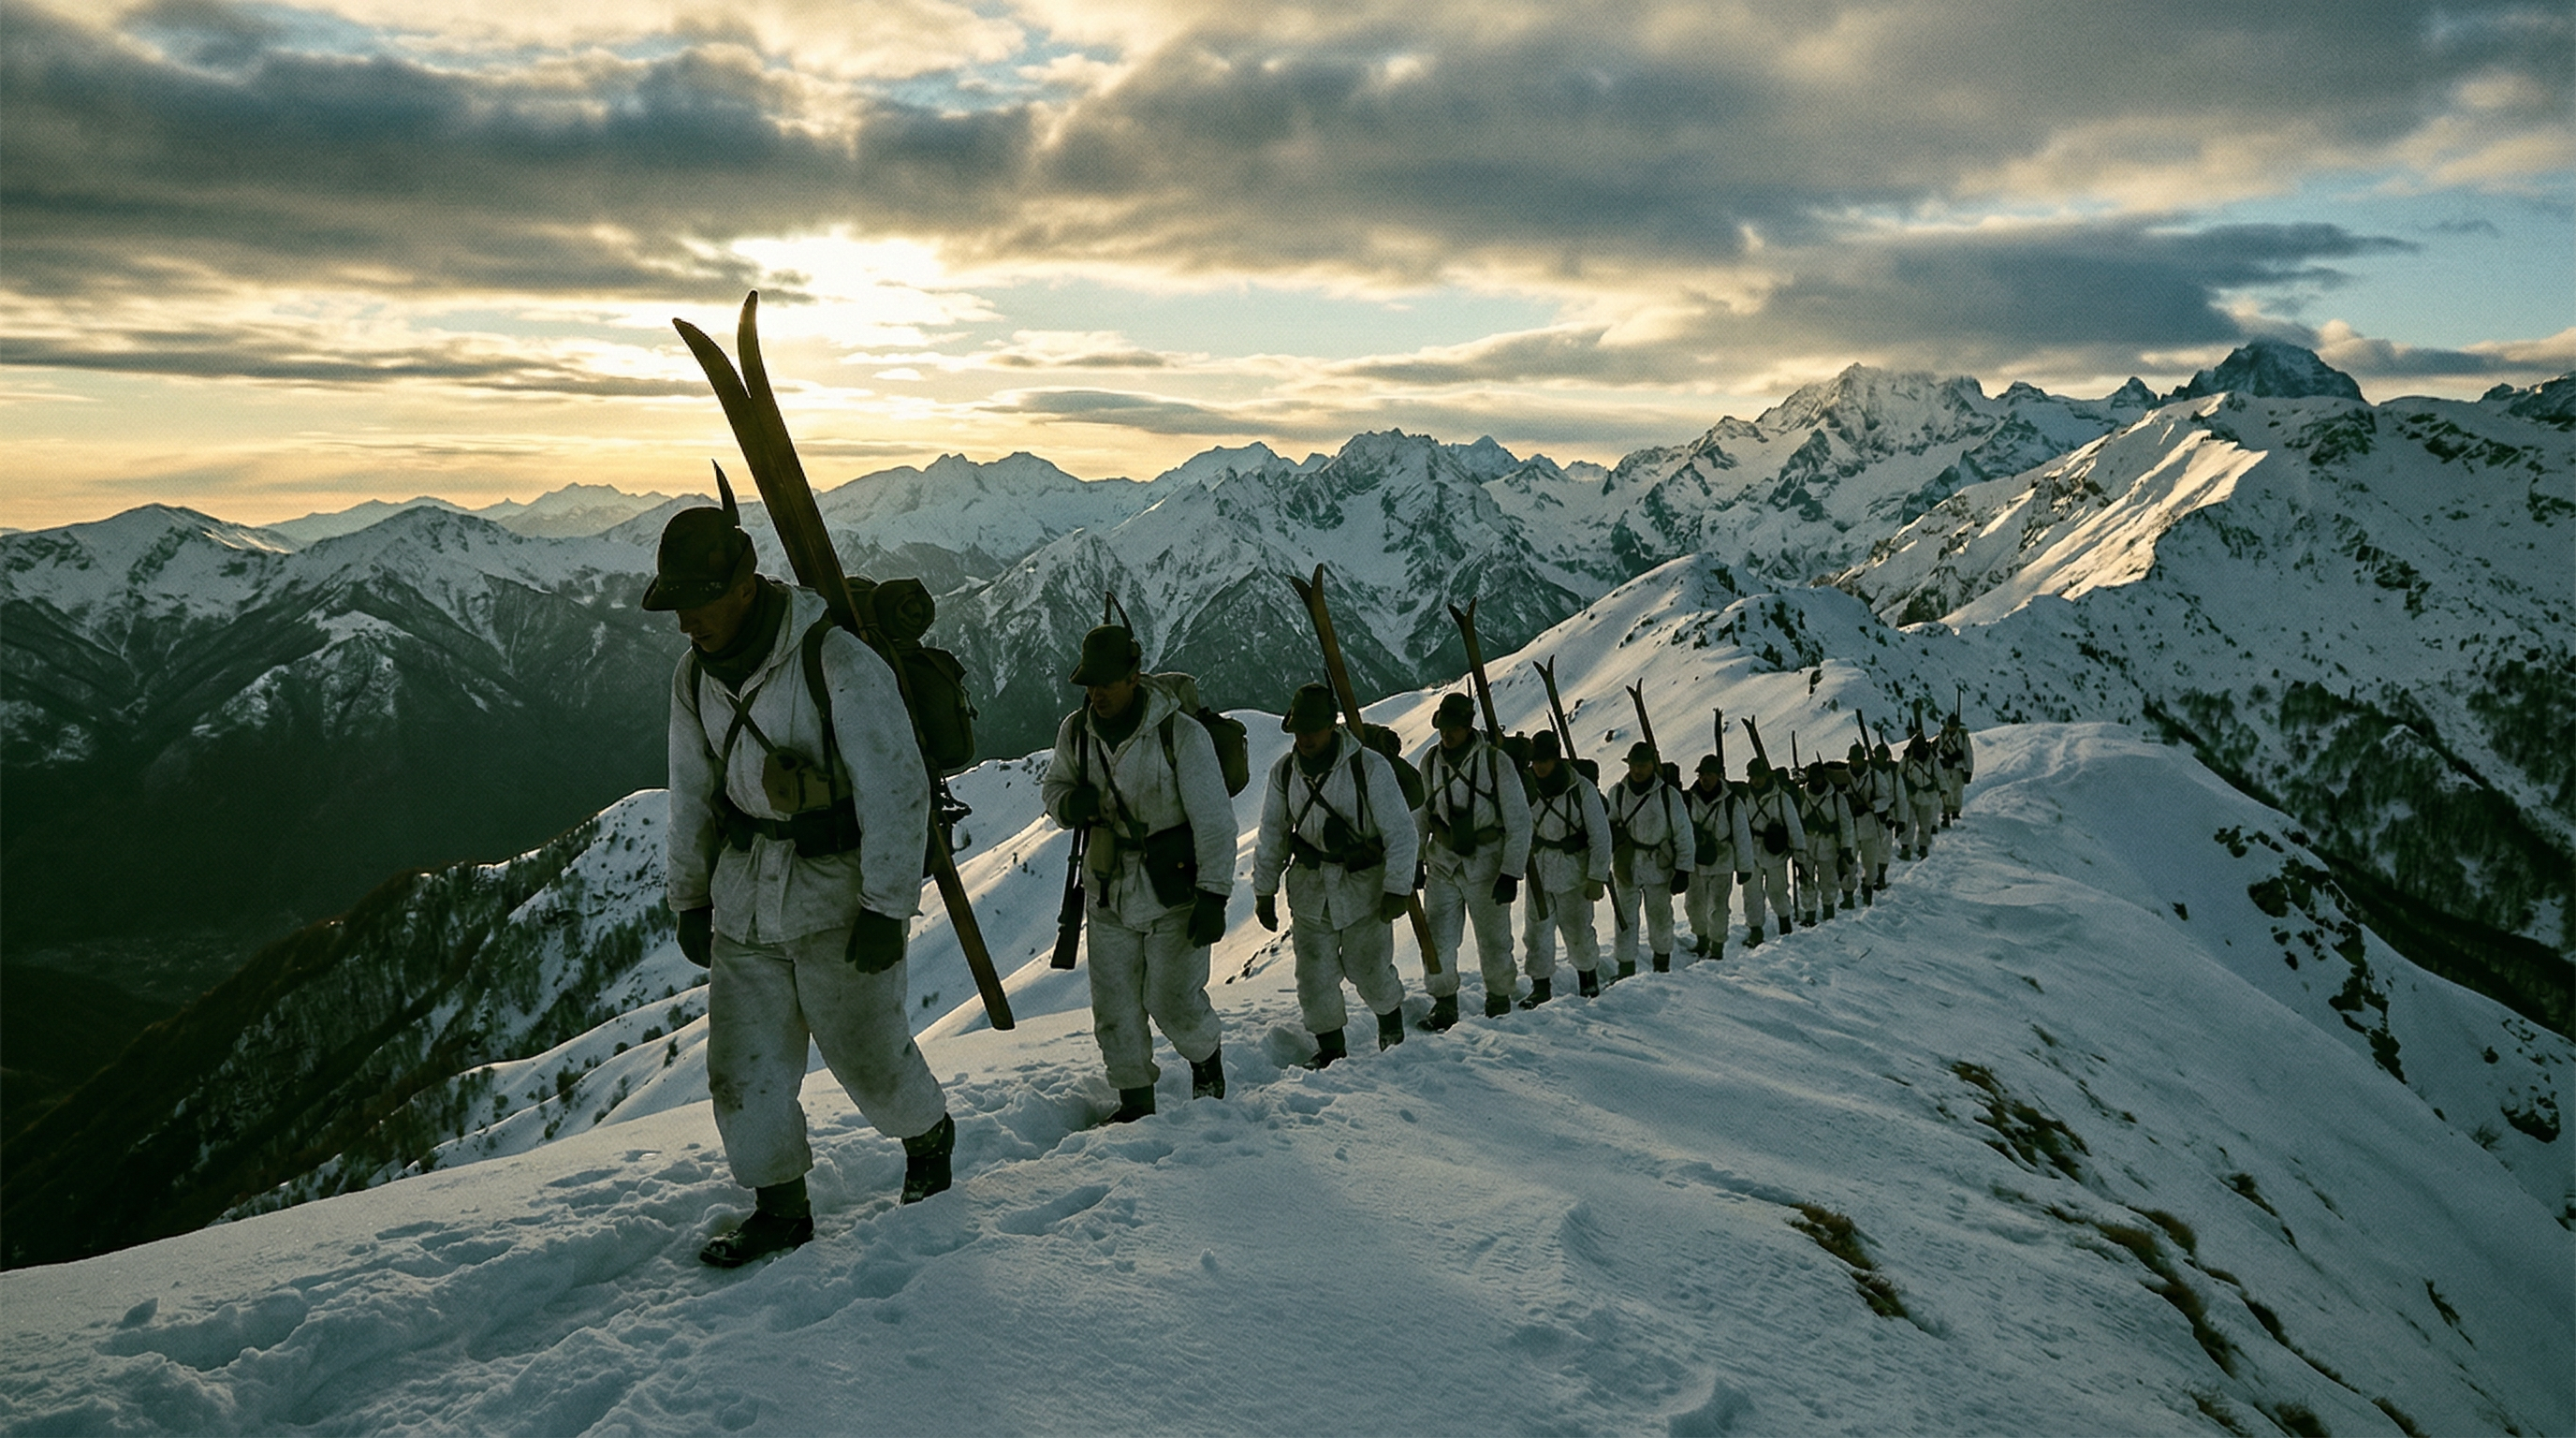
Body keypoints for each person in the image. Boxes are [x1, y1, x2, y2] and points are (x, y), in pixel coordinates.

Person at [652, 501, 956, 1269]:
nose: (689, 621)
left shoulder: (837, 661)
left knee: (869, 1056)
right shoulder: (694, 680)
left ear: (745, 586)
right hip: (747, 894)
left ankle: (928, 1141)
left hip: (837, 891)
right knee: (742, 1070)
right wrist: (689, 895)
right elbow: (691, 794)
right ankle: (780, 1208)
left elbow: (896, 789)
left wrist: (887, 906)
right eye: (679, 604)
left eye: (700, 600)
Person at [1042, 625, 1235, 1123]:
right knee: (1115, 1008)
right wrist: (1069, 803)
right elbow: (1054, 790)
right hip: (1108, 887)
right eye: (1089, 684)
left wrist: (1214, 895)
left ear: (1134, 677)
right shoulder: (1075, 731)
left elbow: (1214, 821)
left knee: (1173, 1001)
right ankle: (1135, 1101)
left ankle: (1205, 1059)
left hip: (1175, 886)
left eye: (1106, 682)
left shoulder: (1180, 734)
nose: (1096, 693)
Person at [1252, 683, 1421, 1066]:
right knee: (1314, 979)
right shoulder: (1284, 774)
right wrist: (1264, 891)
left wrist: (1397, 887)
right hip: (1311, 890)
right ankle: (1330, 1048)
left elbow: (1400, 832)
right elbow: (1272, 835)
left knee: (1370, 970)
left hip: (1365, 888)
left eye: (1313, 728)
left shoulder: (1368, 767)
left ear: (1332, 725)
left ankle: (1391, 1026)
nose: (1306, 738)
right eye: (1300, 730)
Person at [1414, 694, 1534, 1021]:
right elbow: (1422, 814)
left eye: (1453, 727)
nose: (1447, 734)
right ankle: (1444, 1003)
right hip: (1443, 863)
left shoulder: (1496, 762)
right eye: (1443, 727)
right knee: (1437, 939)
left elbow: (1519, 821)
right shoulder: (1429, 761)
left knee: (1495, 942)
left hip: (1488, 866)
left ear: (1468, 726)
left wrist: (1511, 872)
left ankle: (1498, 999)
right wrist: (1415, 860)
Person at [1519, 730, 1613, 1000]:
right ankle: (1540, 988)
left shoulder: (1581, 789)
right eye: (1536, 761)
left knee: (1579, 931)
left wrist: (1597, 877)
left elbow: (1600, 835)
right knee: (1536, 933)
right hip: (1539, 868)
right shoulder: (1526, 787)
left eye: (1545, 760)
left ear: (1556, 760)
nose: (1539, 766)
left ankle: (1588, 980)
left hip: (1575, 870)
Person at [1604, 741, 1693, 976]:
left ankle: (1662, 965)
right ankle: (1625, 969)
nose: (1638, 769)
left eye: (1643, 764)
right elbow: (1608, 824)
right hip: (1626, 864)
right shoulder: (1618, 792)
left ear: (1652, 765)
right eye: (1634, 764)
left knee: (1660, 917)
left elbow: (1683, 834)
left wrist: (1683, 869)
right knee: (1624, 921)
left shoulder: (1668, 795)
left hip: (1659, 865)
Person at [1682, 755, 1755, 960]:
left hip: (1722, 860)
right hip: (1696, 861)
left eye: (1710, 774)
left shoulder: (1731, 801)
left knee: (1718, 907)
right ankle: (1701, 938)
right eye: (1702, 774)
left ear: (1719, 776)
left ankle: (1717, 946)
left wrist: (1744, 867)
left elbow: (1742, 835)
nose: (1705, 779)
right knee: (1693, 905)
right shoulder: (1689, 799)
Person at [1737, 756, 1807, 946]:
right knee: (1751, 894)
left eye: (1759, 775)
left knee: (1777, 891)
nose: (1756, 780)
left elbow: (1793, 824)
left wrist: (1799, 850)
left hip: (1776, 850)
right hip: (1751, 850)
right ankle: (1755, 930)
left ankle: (1785, 924)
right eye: (1752, 776)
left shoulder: (1781, 797)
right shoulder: (1744, 797)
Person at [1792, 762, 1854, 927]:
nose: (1817, 781)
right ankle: (1809, 914)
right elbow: (1794, 822)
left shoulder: (1836, 797)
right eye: (1814, 777)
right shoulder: (1801, 796)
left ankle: (1828, 911)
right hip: (1806, 844)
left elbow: (1847, 823)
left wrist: (1846, 846)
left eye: (1819, 777)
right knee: (1806, 882)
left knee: (1829, 881)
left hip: (1829, 844)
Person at [1853, 741, 1908, 896]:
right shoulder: (1867, 771)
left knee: (1884, 847)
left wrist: (1901, 820)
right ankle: (1867, 877)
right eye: (1877, 755)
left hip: (1887, 814)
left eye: (1882, 755)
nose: (1879, 758)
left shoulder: (1893, 771)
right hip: (1867, 815)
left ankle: (1881, 877)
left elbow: (1900, 796)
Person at [1900, 735, 1944, 860]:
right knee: (1909, 822)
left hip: (1927, 796)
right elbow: (1899, 774)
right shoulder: (1907, 759)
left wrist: (1943, 788)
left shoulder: (1932, 760)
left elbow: (1939, 774)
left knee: (1926, 822)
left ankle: (1923, 846)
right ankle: (1905, 847)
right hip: (1910, 795)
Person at [1937, 713, 1974, 826]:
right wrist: (1944, 759)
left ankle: (1956, 811)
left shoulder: (1963, 737)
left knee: (1957, 790)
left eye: (1953, 726)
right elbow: (1938, 750)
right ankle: (1946, 813)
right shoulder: (1942, 736)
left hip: (1958, 767)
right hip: (1946, 768)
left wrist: (1969, 771)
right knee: (1945, 791)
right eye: (1950, 726)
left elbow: (1967, 755)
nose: (1951, 728)